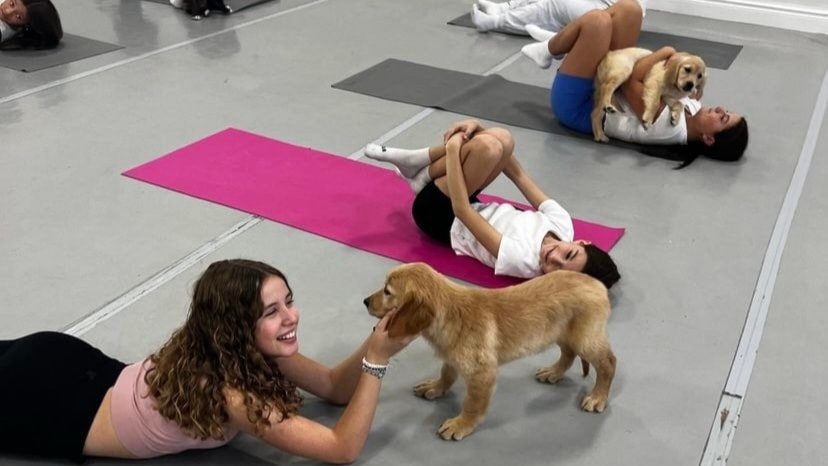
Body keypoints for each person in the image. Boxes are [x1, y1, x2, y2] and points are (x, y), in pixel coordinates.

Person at [0, 259, 417, 463]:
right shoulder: (231, 396)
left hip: (74, 364)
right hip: (51, 400)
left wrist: (378, 341)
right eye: (271, 312)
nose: (291, 318)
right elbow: (342, 449)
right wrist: (376, 364)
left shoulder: (239, 346)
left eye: (289, 302)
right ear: (238, 325)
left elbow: (331, 386)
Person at [364, 119, 620, 288]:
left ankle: (422, 170)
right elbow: (518, 174)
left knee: (487, 148)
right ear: (581, 242)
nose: (553, 257)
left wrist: (454, 150)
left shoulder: (524, 261)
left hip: (441, 217)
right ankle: (421, 171)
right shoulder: (562, 223)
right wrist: (478, 128)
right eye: (568, 254)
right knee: (503, 139)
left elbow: (461, 210)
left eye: (557, 269)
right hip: (471, 203)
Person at [520, 0, 749, 165]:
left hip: (581, 105)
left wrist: (665, 53)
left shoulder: (669, 126)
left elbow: (632, 81)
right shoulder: (693, 111)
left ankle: (551, 47)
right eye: (725, 111)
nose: (719, 109)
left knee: (596, 21)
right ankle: (561, 43)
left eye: (723, 118)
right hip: (609, 83)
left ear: (708, 139)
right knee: (631, 9)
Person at [471, 0, 647, 37]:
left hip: (614, 14)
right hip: (602, 5)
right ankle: (504, 8)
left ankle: (493, 23)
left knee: (555, 4)